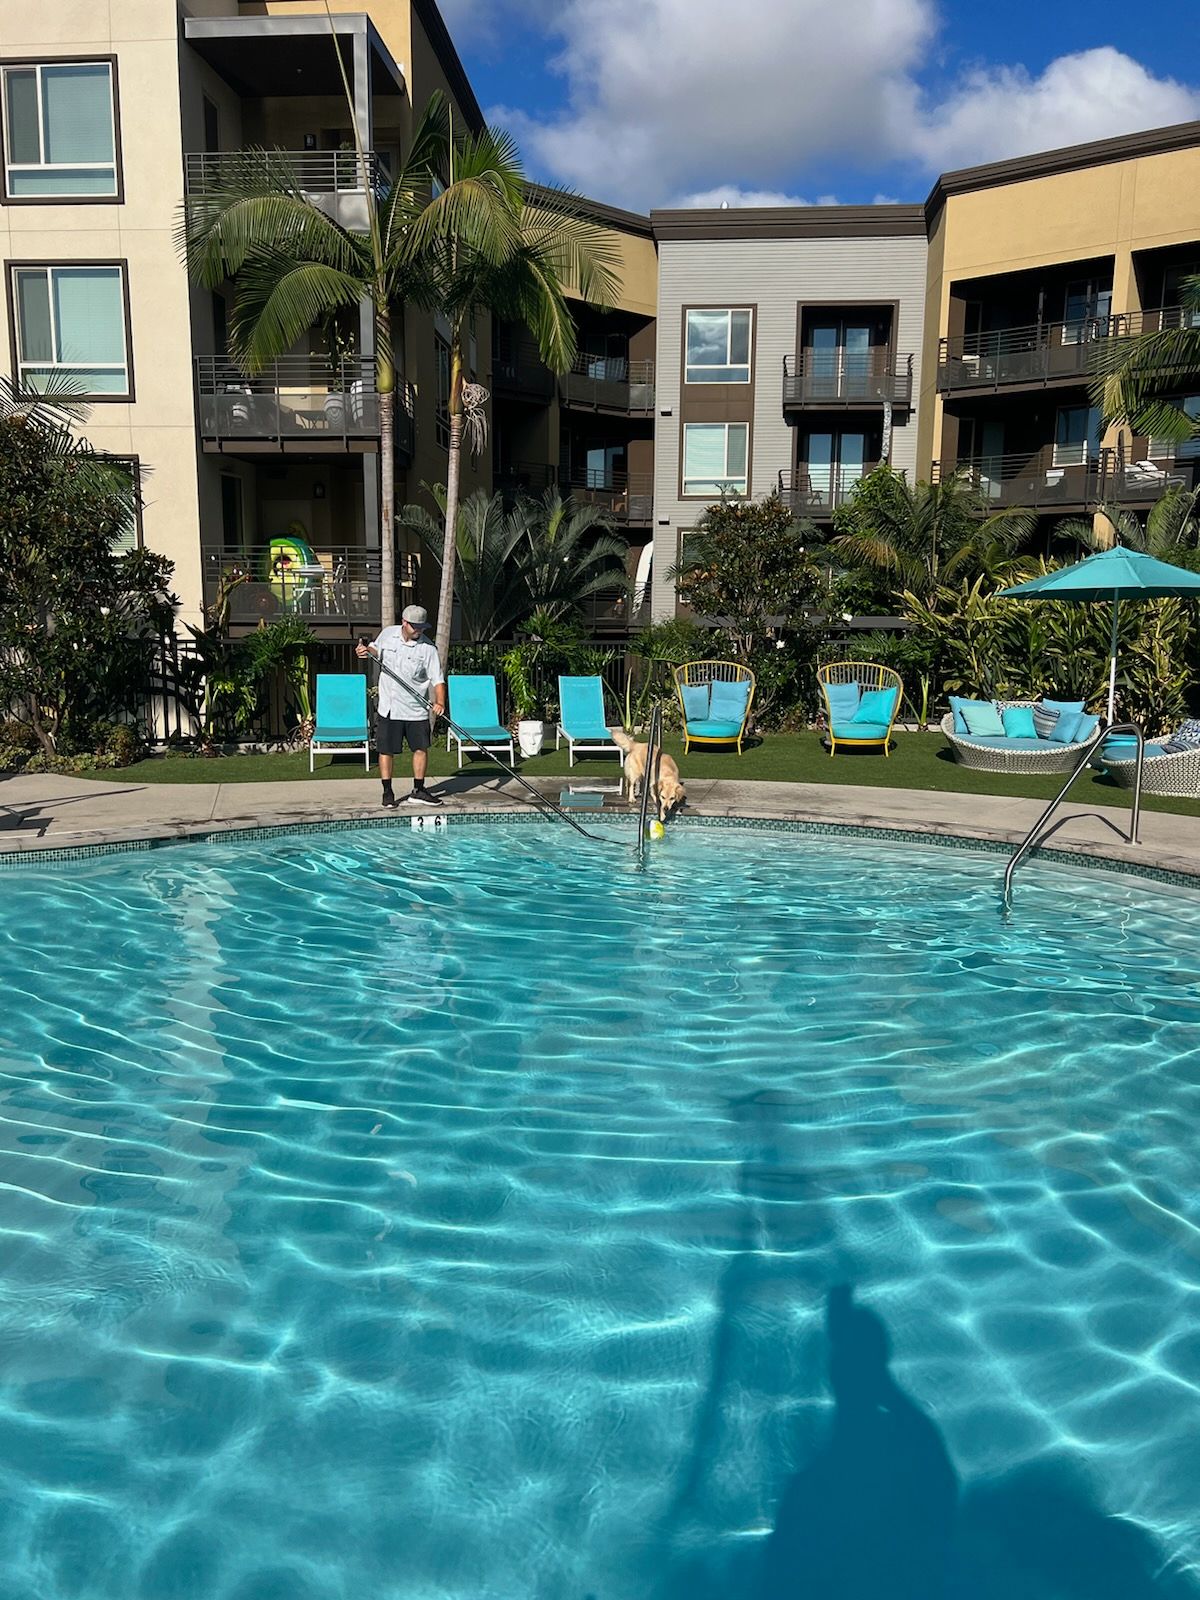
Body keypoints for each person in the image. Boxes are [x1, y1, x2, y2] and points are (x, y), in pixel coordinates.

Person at [356, 604, 446, 807]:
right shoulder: (388, 634)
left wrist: (440, 702)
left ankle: (419, 790)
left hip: (415, 709)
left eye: (423, 627)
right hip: (389, 706)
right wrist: (366, 651)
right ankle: (387, 792)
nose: (419, 630)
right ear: (404, 623)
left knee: (421, 748)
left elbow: (438, 680)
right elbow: (375, 650)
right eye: (415, 626)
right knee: (386, 750)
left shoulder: (428, 649)